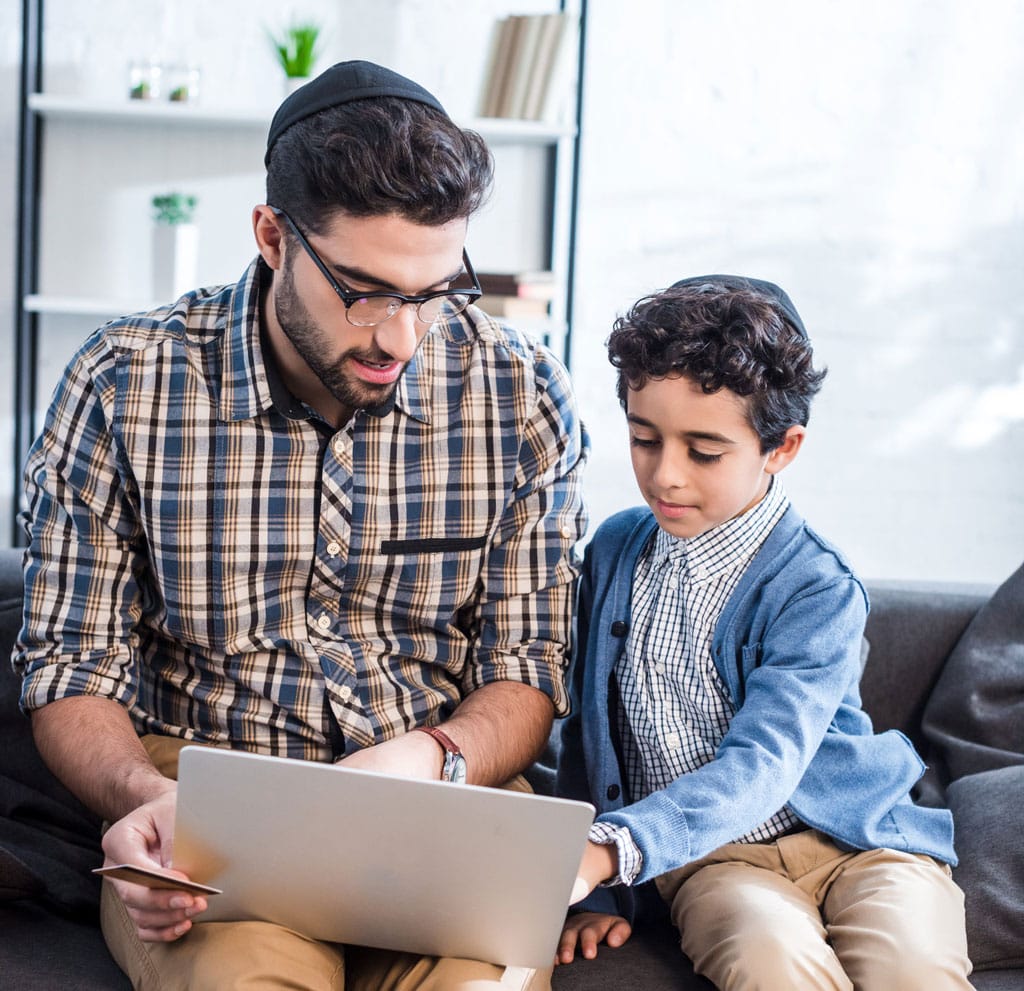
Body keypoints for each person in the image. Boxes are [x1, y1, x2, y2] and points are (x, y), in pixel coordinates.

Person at [13, 60, 587, 991]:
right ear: (273, 237)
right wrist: (146, 800)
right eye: (365, 290)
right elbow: (71, 667)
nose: (402, 336)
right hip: (205, 790)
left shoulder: (519, 394)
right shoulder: (123, 383)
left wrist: (431, 757)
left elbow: (527, 667)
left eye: (436, 291)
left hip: (445, 791)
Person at [554, 276, 972, 989]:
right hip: (716, 858)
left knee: (915, 966)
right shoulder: (615, 551)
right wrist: (591, 888)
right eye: (644, 437)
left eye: (704, 450)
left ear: (782, 447)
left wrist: (609, 846)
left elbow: (766, 762)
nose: (665, 474)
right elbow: (586, 735)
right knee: (768, 960)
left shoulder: (817, 586)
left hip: (861, 841)